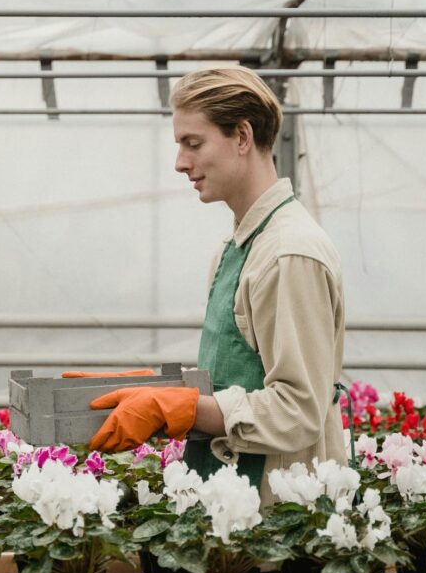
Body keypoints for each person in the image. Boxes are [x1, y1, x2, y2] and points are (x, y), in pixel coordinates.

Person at [83, 66, 346, 502]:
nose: (180, 162)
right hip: (231, 492)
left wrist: (181, 408)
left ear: (242, 137)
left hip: (275, 509)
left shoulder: (288, 253)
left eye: (193, 143)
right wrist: (162, 391)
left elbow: (299, 410)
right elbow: (238, 373)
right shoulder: (239, 242)